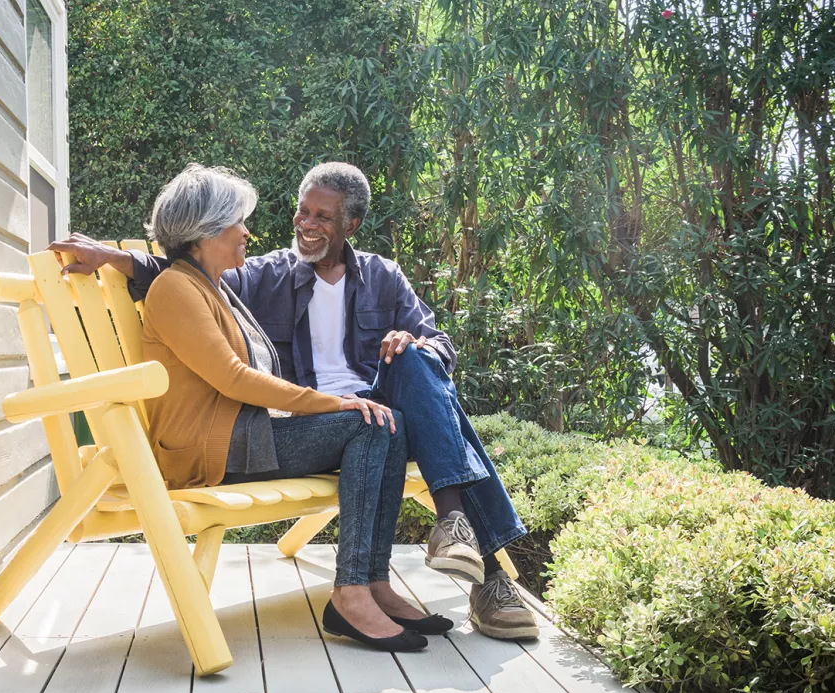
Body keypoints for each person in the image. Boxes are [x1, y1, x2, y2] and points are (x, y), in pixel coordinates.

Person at [51, 162, 538, 640]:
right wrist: (115, 257)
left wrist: (412, 345)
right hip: (278, 426)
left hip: (352, 409)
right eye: (301, 212)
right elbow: (190, 287)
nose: (302, 224)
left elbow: (440, 346)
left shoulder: (383, 277)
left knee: (415, 366)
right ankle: (453, 574)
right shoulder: (255, 278)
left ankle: (406, 557)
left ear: (353, 223)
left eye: (322, 217)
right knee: (384, 421)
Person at [136, 164, 451, 652]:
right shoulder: (178, 289)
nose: (248, 232)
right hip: (211, 453)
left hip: (243, 438)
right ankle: (351, 592)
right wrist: (333, 404)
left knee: (387, 423)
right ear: (204, 233)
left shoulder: (214, 287)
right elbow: (234, 379)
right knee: (368, 424)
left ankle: (371, 582)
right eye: (237, 222)